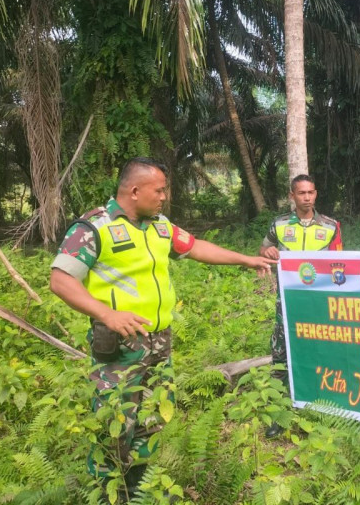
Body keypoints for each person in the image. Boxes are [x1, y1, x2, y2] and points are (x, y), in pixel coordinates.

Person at [49, 157, 275, 501]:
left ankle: (139, 487)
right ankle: (108, 491)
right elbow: (61, 279)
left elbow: (196, 247)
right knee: (115, 422)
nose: (164, 196)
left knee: (151, 418)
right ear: (135, 190)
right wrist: (106, 314)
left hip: (159, 342)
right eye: (160, 190)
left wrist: (247, 260)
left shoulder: (160, 226)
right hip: (119, 345)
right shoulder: (94, 227)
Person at [260, 174, 342, 437]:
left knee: (321, 350)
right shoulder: (279, 224)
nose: (306, 197)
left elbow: (341, 263)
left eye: (311, 192)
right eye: (301, 193)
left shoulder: (330, 226)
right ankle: (278, 412)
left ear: (316, 194)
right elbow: (264, 249)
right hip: (287, 301)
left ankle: (322, 406)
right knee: (281, 354)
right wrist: (268, 252)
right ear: (292, 195)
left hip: (318, 302)